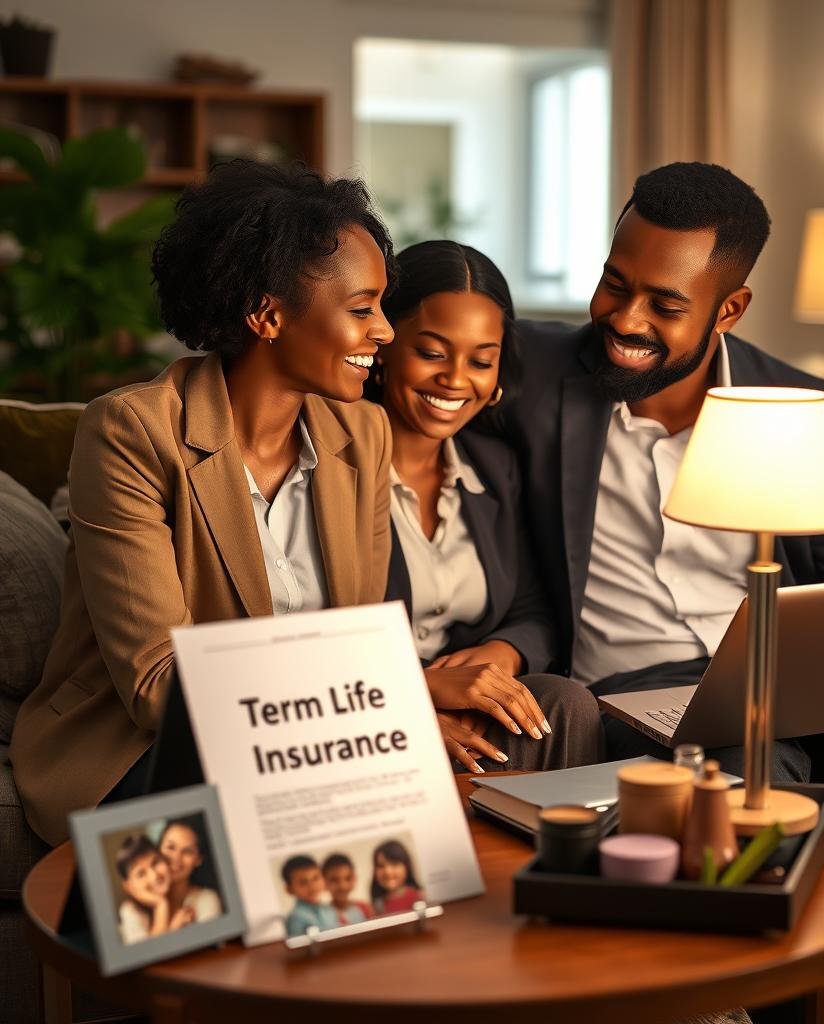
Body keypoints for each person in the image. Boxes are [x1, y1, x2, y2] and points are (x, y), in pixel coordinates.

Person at [489, 161, 824, 1024]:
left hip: (788, 680)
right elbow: (387, 360)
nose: (624, 319)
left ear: (729, 308)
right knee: (752, 770)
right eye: (612, 284)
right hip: (632, 698)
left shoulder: (807, 406)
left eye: (665, 304)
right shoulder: (529, 370)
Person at [11, 160, 397, 846]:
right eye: (363, 309)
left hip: (304, 745)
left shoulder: (362, 434)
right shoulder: (132, 431)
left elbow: (359, 647)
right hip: (136, 748)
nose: (385, 332)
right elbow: (160, 684)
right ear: (268, 315)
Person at [370, 240, 604, 773]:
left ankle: (560, 855)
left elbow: (534, 611)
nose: (455, 380)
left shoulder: (494, 467)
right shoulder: (331, 466)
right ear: (383, 343)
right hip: (366, 710)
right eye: (431, 352)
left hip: (464, 708)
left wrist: (502, 656)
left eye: (481, 361)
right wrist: (419, 693)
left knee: (565, 702)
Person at [115, 834, 182, 945]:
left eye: (155, 863)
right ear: (128, 887)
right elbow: (150, 955)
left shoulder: (182, 896)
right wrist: (160, 905)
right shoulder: (130, 911)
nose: (154, 876)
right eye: (141, 874)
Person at [157, 816, 223, 927]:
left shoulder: (207, 900)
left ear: (198, 860)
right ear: (158, 849)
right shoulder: (137, 906)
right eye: (171, 847)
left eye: (187, 851)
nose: (176, 858)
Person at [280, 855, 339, 938]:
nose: (312, 886)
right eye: (303, 882)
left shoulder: (329, 909)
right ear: (289, 889)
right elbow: (298, 948)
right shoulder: (296, 918)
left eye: (316, 878)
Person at [370, 839, 424, 914]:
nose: (387, 872)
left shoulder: (420, 896)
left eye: (394, 864)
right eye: (380, 866)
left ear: (406, 866)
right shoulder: (375, 907)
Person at [321, 852, 374, 926]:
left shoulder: (364, 908)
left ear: (354, 878)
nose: (342, 886)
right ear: (324, 882)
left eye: (348, 878)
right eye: (334, 880)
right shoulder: (322, 915)